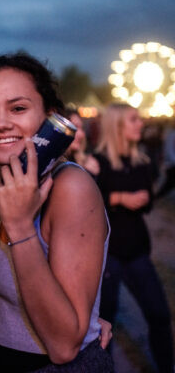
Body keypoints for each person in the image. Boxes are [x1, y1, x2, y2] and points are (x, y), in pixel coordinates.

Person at [0, 52, 113, 372]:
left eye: (18, 108)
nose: (1, 122)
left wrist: (21, 227)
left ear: (49, 117)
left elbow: (64, 345)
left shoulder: (69, 187)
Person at [94, 103, 174, 373]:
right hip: (110, 256)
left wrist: (142, 198)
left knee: (160, 315)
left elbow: (149, 201)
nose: (141, 124)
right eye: (133, 120)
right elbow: (89, 205)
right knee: (105, 325)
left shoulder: (142, 161)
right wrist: (119, 198)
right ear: (116, 126)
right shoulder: (99, 163)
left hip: (137, 251)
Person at [63, 108, 100, 176]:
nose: (81, 134)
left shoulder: (83, 161)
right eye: (74, 127)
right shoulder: (54, 167)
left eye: (81, 128)